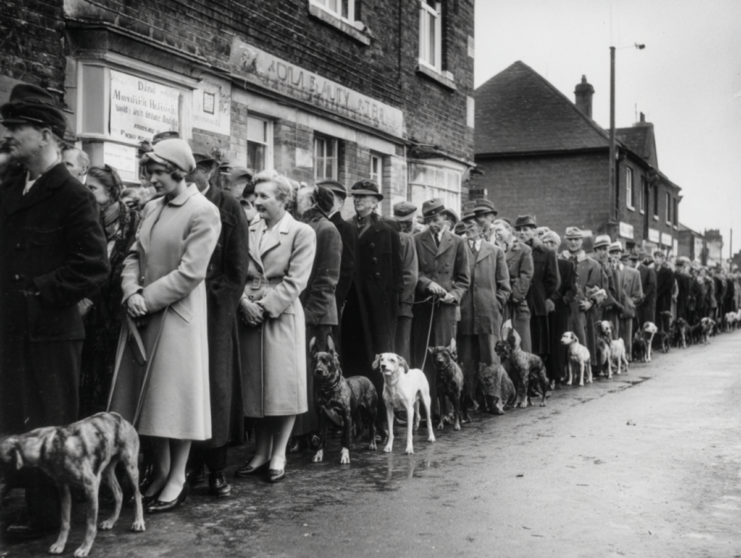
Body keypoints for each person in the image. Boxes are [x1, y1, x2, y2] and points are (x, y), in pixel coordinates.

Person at [0, 83, 109, 538]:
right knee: (13, 417)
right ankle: (28, 503)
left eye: (15, 127)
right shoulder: (8, 184)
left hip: (49, 332)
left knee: (49, 426)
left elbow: (93, 267)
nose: (6, 135)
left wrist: (38, 292)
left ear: (44, 134)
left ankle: (49, 518)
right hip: (10, 329)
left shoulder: (72, 195)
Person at [109, 139, 221, 513]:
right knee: (150, 402)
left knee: (176, 402)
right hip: (142, 314)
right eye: (149, 173)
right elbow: (132, 256)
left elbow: (191, 272)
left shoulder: (202, 211)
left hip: (176, 318)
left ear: (178, 170)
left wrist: (147, 298)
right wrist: (129, 292)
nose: (152, 180)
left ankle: (177, 479)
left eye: (158, 173)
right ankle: (158, 473)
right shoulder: (153, 208)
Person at [235, 170, 316, 483]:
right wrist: (243, 302)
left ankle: (279, 452)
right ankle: (260, 452)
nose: (257, 202)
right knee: (257, 388)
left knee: (282, 388)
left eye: (264, 196)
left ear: (284, 200)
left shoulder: (300, 232)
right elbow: (236, 270)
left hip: (280, 315)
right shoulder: (249, 228)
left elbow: (297, 280)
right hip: (248, 312)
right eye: (255, 196)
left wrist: (264, 308)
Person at [184, 154, 250, 498]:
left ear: (207, 170)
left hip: (213, 313)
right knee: (184, 387)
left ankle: (215, 469)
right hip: (178, 309)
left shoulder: (228, 207)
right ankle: (186, 466)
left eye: (192, 168)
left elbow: (237, 268)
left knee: (217, 387)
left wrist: (217, 302)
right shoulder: (176, 202)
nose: (185, 174)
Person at [78, 165, 141, 418]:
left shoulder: (134, 221)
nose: (86, 192)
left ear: (112, 191)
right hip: (89, 310)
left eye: (92, 188)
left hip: (118, 311)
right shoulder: (84, 218)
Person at [340, 179, 402, 430]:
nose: (358, 201)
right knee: (353, 354)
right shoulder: (346, 227)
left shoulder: (387, 229)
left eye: (365, 197)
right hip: (354, 301)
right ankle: (356, 416)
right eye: (355, 196)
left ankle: (381, 417)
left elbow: (396, 272)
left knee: (378, 357)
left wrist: (390, 305)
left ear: (376, 202)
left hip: (377, 304)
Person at [291, 184, 341, 449]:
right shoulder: (303, 224)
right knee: (301, 374)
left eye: (301, 196)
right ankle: (300, 431)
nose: (296, 199)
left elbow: (327, 278)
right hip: (302, 312)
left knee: (316, 375)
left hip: (317, 316)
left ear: (313, 201)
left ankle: (312, 432)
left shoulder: (326, 229)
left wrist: (308, 314)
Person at [411, 199, 470, 414]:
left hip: (445, 309)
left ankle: (448, 409)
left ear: (445, 218)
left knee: (446, 359)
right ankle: (429, 409)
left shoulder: (457, 242)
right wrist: (427, 284)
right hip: (425, 308)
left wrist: (453, 296)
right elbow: (413, 273)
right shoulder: (416, 240)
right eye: (429, 220)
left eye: (436, 219)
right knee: (425, 356)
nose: (433, 224)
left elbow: (464, 278)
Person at [457, 209, 510, 406]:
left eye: (471, 226)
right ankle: (468, 400)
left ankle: (493, 399)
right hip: (464, 313)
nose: (467, 230)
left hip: (488, 313)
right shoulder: (458, 247)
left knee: (490, 357)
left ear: (481, 228)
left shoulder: (495, 251)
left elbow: (504, 284)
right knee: (466, 358)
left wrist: (497, 303)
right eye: (465, 226)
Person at [317, 179, 356, 357]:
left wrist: (337, 298)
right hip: (316, 294)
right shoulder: (315, 223)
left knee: (330, 343)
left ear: (340, 203)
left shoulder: (345, 228)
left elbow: (347, 268)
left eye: (331, 197)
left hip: (332, 297)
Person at [514, 215, 559, 365]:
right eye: (519, 230)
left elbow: (553, 280)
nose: (522, 233)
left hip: (537, 305)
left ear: (534, 231)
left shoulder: (546, 252)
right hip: (517, 302)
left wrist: (539, 294)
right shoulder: (511, 250)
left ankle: (536, 383)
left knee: (538, 346)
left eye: (525, 229)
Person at [561, 228, 607, 368]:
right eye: (570, 239)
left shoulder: (592, 264)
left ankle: (586, 369)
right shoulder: (558, 260)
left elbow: (601, 291)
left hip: (583, 311)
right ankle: (564, 372)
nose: (573, 242)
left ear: (581, 241)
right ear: (565, 240)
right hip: (563, 309)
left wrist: (590, 302)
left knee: (583, 338)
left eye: (576, 239)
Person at [493, 218, 533, 351]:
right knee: (500, 341)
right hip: (498, 301)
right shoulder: (491, 248)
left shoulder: (523, 249)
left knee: (521, 341)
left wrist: (515, 296)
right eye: (493, 230)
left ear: (509, 230)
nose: (496, 233)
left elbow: (526, 275)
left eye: (499, 230)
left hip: (516, 302)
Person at [542, 230, 576, 388]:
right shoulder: (538, 263)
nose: (549, 246)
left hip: (559, 310)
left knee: (557, 342)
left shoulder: (566, 265)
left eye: (552, 243)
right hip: (543, 307)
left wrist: (562, 300)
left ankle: (557, 375)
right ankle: (543, 376)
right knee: (543, 342)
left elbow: (571, 289)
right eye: (546, 242)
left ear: (558, 246)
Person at [391, 201, 419, 363]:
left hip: (389, 303)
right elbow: (411, 276)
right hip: (403, 305)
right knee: (401, 352)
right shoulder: (407, 239)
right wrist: (400, 300)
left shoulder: (388, 234)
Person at [619, 248, 643, 360]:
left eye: (625, 258)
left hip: (626, 312)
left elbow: (639, 296)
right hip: (611, 312)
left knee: (626, 339)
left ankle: (626, 358)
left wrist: (626, 303)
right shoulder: (609, 269)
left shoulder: (635, 273)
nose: (623, 260)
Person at [636, 249, 657, 328]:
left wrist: (643, 295)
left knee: (648, 325)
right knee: (642, 325)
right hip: (641, 303)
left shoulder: (650, 271)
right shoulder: (640, 270)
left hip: (648, 303)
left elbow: (651, 286)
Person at [654, 251, 674, 332]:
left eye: (659, 257)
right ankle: (657, 338)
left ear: (663, 259)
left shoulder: (668, 271)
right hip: (655, 299)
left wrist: (658, 294)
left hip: (664, 299)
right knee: (656, 318)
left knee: (664, 318)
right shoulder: (652, 270)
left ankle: (665, 338)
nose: (657, 259)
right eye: (656, 257)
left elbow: (668, 286)